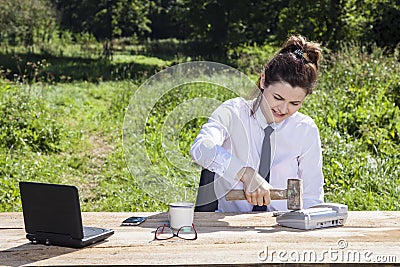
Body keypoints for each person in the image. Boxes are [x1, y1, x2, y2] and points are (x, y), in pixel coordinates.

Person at [190, 35, 324, 212]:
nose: (283, 109)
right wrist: (245, 174)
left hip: (281, 228)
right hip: (228, 226)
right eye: (278, 97)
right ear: (263, 81)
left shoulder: (305, 130)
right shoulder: (233, 113)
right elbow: (201, 148)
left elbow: (313, 198)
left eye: (295, 103)